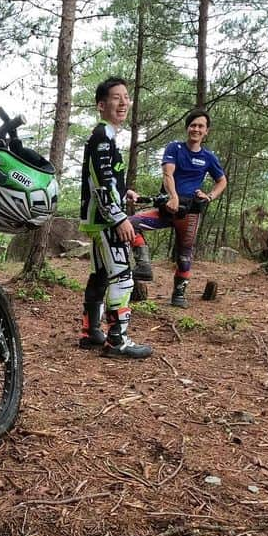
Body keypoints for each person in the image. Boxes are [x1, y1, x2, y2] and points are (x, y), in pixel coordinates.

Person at [78, 77, 153, 359]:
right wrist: (119, 217)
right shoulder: (102, 136)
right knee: (123, 277)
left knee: (100, 275)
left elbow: (105, 179)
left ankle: (91, 332)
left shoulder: (106, 136)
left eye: (126, 97)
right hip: (106, 219)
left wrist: (125, 192)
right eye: (115, 97)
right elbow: (100, 182)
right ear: (101, 104)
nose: (123, 102)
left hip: (99, 217)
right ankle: (117, 340)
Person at [128, 108, 227, 308]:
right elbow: (168, 174)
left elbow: (222, 181)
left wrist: (209, 197)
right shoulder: (175, 148)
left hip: (189, 214)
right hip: (167, 208)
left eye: (201, 126)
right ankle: (144, 265)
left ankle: (179, 294)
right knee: (131, 223)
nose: (196, 129)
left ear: (206, 131)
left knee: (184, 255)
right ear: (187, 128)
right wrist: (173, 197)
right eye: (193, 125)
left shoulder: (208, 157)